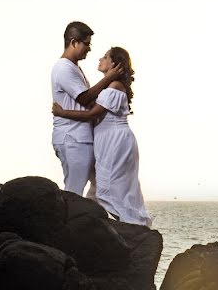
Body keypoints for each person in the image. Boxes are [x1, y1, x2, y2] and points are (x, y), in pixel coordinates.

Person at [53, 46, 152, 227]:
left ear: (114, 64)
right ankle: (97, 225)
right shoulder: (109, 86)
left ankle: (134, 227)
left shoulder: (115, 86)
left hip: (114, 140)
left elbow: (92, 114)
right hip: (109, 139)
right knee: (104, 187)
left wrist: (61, 112)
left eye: (105, 57)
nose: (100, 59)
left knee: (110, 187)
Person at [51, 21, 122, 196]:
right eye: (87, 44)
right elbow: (85, 98)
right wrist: (108, 78)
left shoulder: (73, 67)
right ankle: (69, 222)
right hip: (73, 137)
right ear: (74, 42)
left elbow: (89, 100)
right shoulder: (63, 68)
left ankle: (91, 221)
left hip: (80, 137)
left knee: (101, 185)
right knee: (74, 190)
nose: (89, 49)